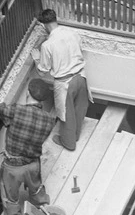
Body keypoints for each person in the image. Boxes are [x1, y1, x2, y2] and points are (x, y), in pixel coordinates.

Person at [0, 78, 57, 215]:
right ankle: (42, 205)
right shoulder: (50, 120)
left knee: (10, 198)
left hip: (13, 167)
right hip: (33, 165)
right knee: (36, 188)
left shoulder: (16, 111)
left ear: (27, 93)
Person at [31, 9, 93, 151]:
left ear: (43, 25)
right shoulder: (72, 33)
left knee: (66, 114)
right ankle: (76, 135)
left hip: (65, 83)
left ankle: (68, 142)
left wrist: (36, 57)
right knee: (80, 108)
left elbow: (42, 71)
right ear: (55, 19)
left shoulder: (48, 45)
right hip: (81, 76)